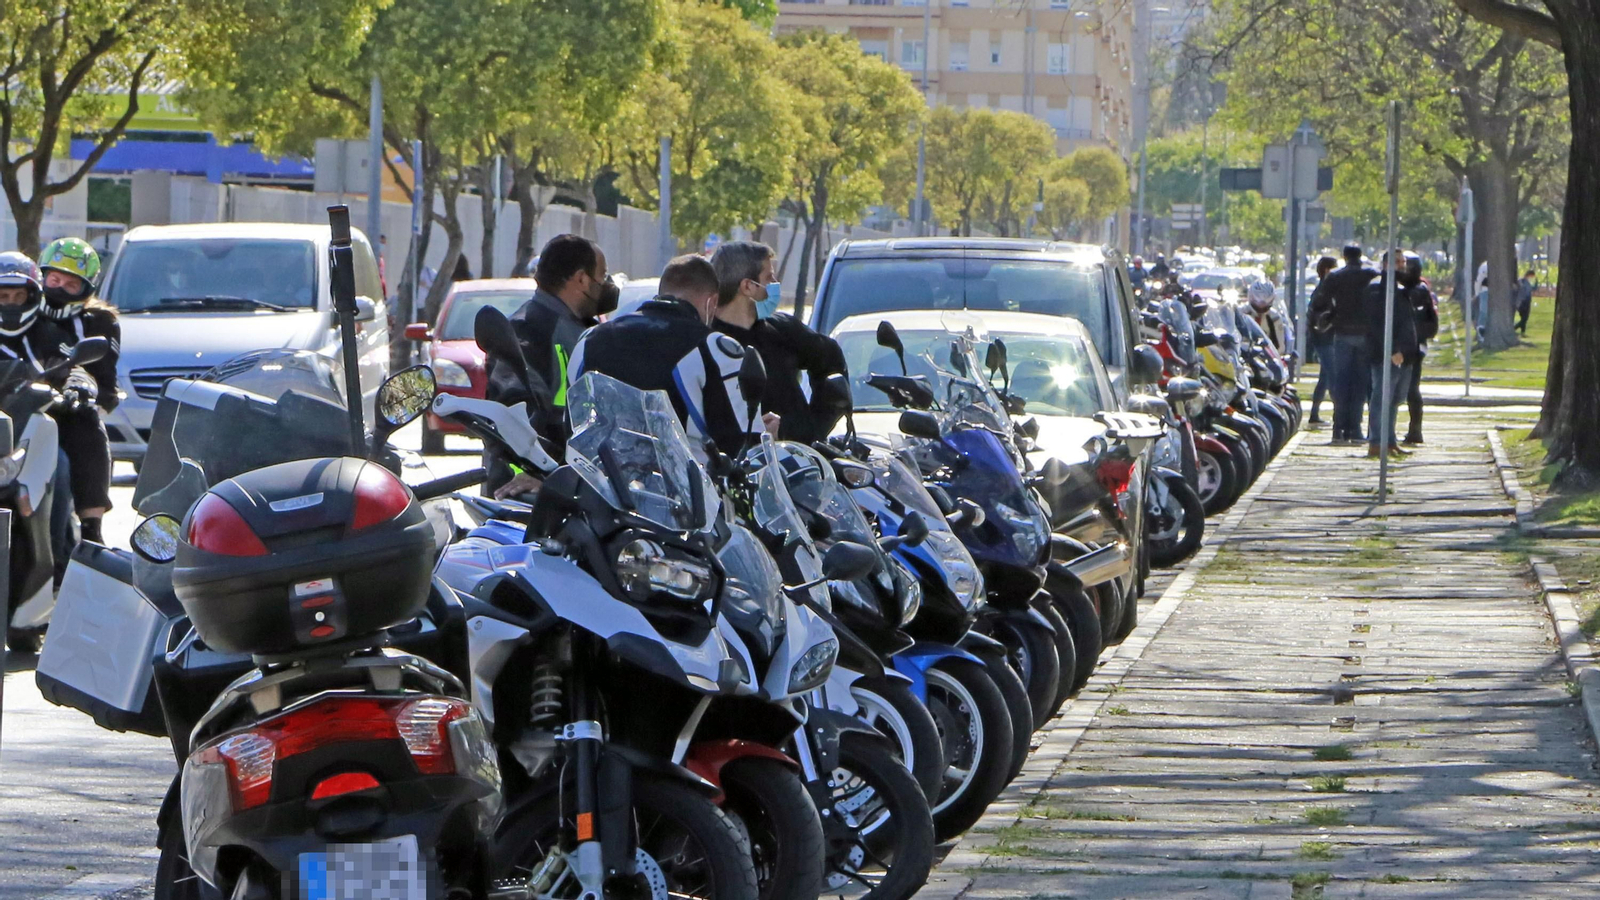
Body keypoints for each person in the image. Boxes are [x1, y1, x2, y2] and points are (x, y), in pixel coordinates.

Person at [567, 254, 773, 464]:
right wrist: (765, 436)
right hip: (685, 493)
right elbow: (744, 447)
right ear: (712, 302)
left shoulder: (589, 340)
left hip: (597, 490)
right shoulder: (714, 348)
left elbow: (572, 423)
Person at [485, 234, 618, 498]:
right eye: (603, 275)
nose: (607, 284)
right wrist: (535, 472)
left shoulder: (580, 329)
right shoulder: (530, 330)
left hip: (574, 488)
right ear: (581, 279)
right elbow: (512, 414)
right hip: (529, 500)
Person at [709, 241, 847, 445]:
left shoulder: (783, 331)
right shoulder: (706, 343)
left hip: (795, 465)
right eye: (768, 277)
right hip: (731, 470)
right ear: (747, 286)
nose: (775, 282)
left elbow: (831, 362)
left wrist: (805, 428)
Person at [36, 238, 118, 546]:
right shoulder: (24, 311)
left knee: (88, 428)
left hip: (69, 408)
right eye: (54, 279)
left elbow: (104, 378)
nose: (58, 289)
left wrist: (82, 389)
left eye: (70, 285)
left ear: (86, 289)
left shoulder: (99, 321)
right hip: (19, 402)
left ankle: (91, 530)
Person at [1309, 243, 1379, 445]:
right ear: (1360, 256)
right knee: (1360, 383)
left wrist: (1332, 313)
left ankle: (1339, 429)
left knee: (1341, 383)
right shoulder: (1371, 276)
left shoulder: (1336, 277)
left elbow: (1318, 303)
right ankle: (1355, 429)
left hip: (1341, 333)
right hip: (1365, 335)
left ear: (1345, 257)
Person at [1362, 252, 1419, 459]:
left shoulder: (1402, 289)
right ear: (1386, 264)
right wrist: (1393, 349)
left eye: (1403, 262)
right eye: (1397, 262)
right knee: (1381, 399)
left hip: (1406, 355)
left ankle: (1390, 441)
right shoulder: (1377, 288)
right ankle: (1377, 442)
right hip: (1385, 355)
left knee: (1396, 399)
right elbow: (1377, 323)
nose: (1402, 266)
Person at [1401, 252, 1438, 446]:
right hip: (1404, 345)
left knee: (1411, 389)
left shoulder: (1418, 290)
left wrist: (1418, 339)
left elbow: (1428, 321)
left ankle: (1415, 429)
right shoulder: (1400, 288)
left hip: (1414, 347)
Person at [1307, 256, 1338, 426]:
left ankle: (1314, 414)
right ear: (1327, 270)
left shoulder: (1323, 290)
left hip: (1324, 338)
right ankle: (1338, 414)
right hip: (1324, 339)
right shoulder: (1324, 291)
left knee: (1325, 377)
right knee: (1333, 377)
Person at [1244, 280, 1289, 355]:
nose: (1260, 308)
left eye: (1264, 305)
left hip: (1267, 358)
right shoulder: (1240, 313)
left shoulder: (1274, 317)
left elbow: (1281, 347)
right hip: (1244, 357)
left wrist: (1275, 357)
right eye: (1256, 304)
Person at [1516, 269, 1535, 336]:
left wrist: (1536, 284)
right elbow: (1522, 290)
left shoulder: (1528, 282)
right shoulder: (1522, 281)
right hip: (1523, 301)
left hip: (1527, 301)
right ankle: (1514, 328)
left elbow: (1532, 289)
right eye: (1532, 276)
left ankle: (1522, 332)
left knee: (1525, 318)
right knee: (1524, 318)